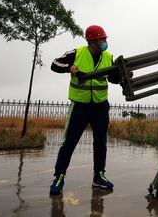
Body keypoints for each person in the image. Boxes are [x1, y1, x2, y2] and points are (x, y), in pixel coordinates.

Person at [49, 25, 120, 195]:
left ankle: (99, 176)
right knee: (70, 142)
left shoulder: (108, 57)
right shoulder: (76, 53)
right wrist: (69, 68)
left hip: (100, 106)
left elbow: (113, 78)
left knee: (100, 142)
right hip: (80, 105)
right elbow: (54, 64)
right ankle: (59, 177)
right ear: (92, 41)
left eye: (105, 39)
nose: (105, 42)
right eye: (102, 39)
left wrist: (124, 75)